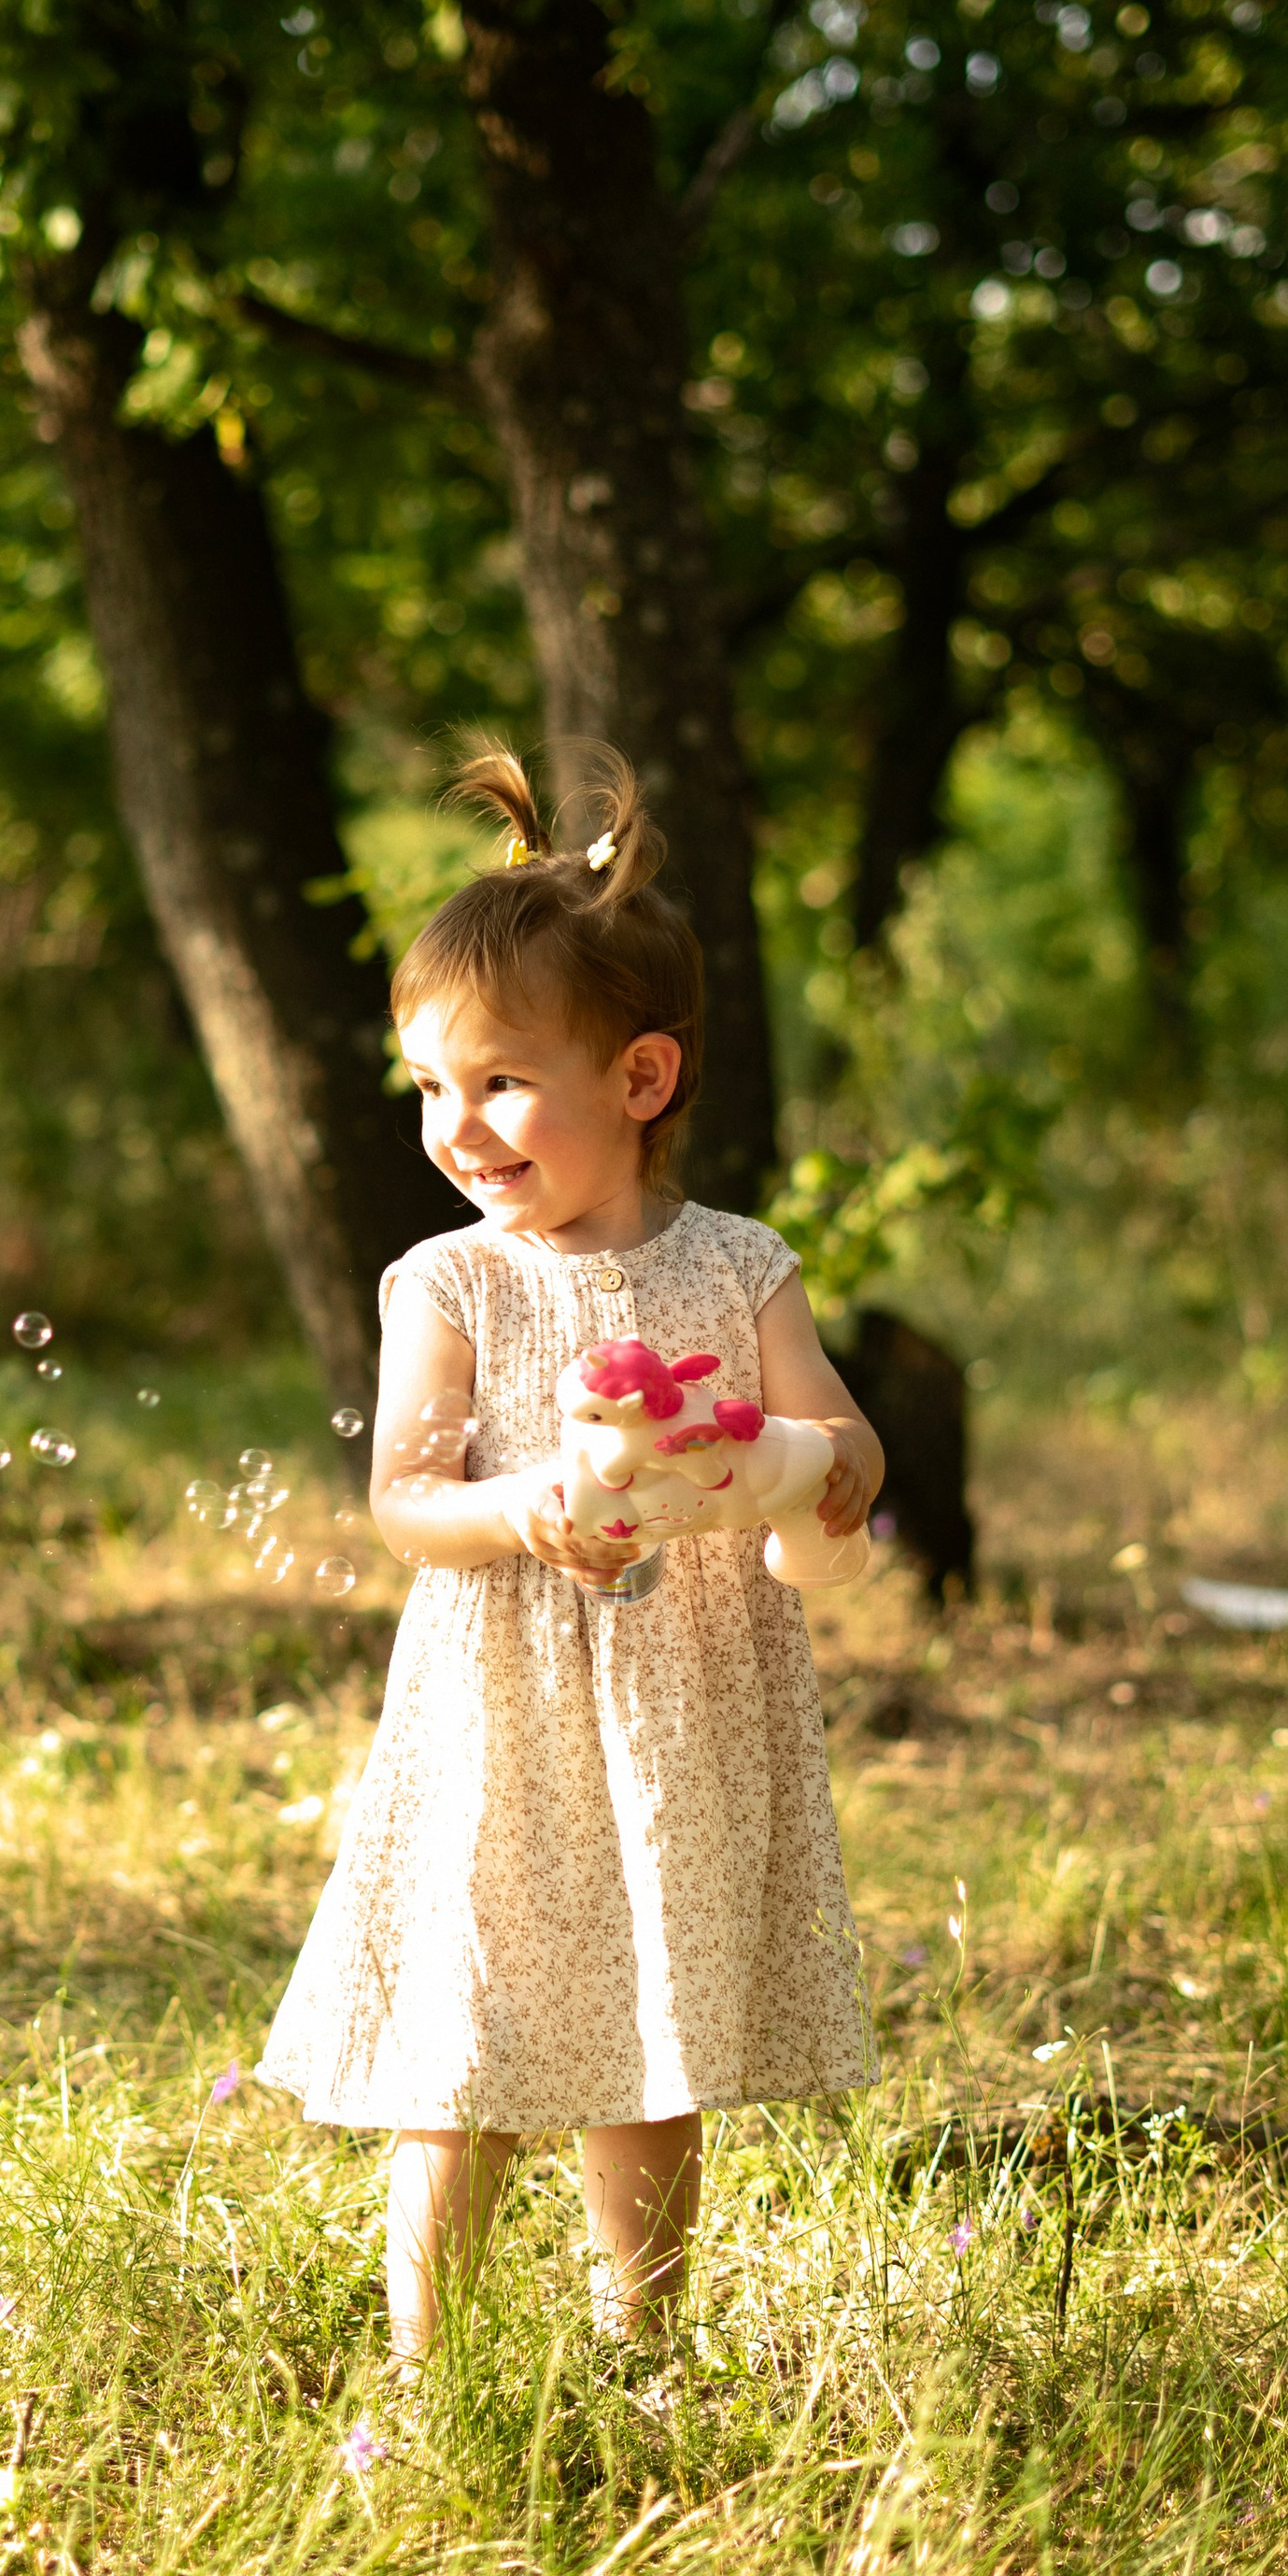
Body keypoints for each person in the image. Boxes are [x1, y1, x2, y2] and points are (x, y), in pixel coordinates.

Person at [257, 744, 883, 2368]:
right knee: (458, 2053)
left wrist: (813, 1475)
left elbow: (839, 1443)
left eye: (500, 1082)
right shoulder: (448, 1286)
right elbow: (405, 1503)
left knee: (646, 2051)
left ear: (643, 1080)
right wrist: (520, 1506)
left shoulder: (742, 1270)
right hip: (503, 1727)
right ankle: (433, 2372)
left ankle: (641, 2350)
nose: (457, 1127)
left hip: (679, 1721)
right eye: (428, 1088)